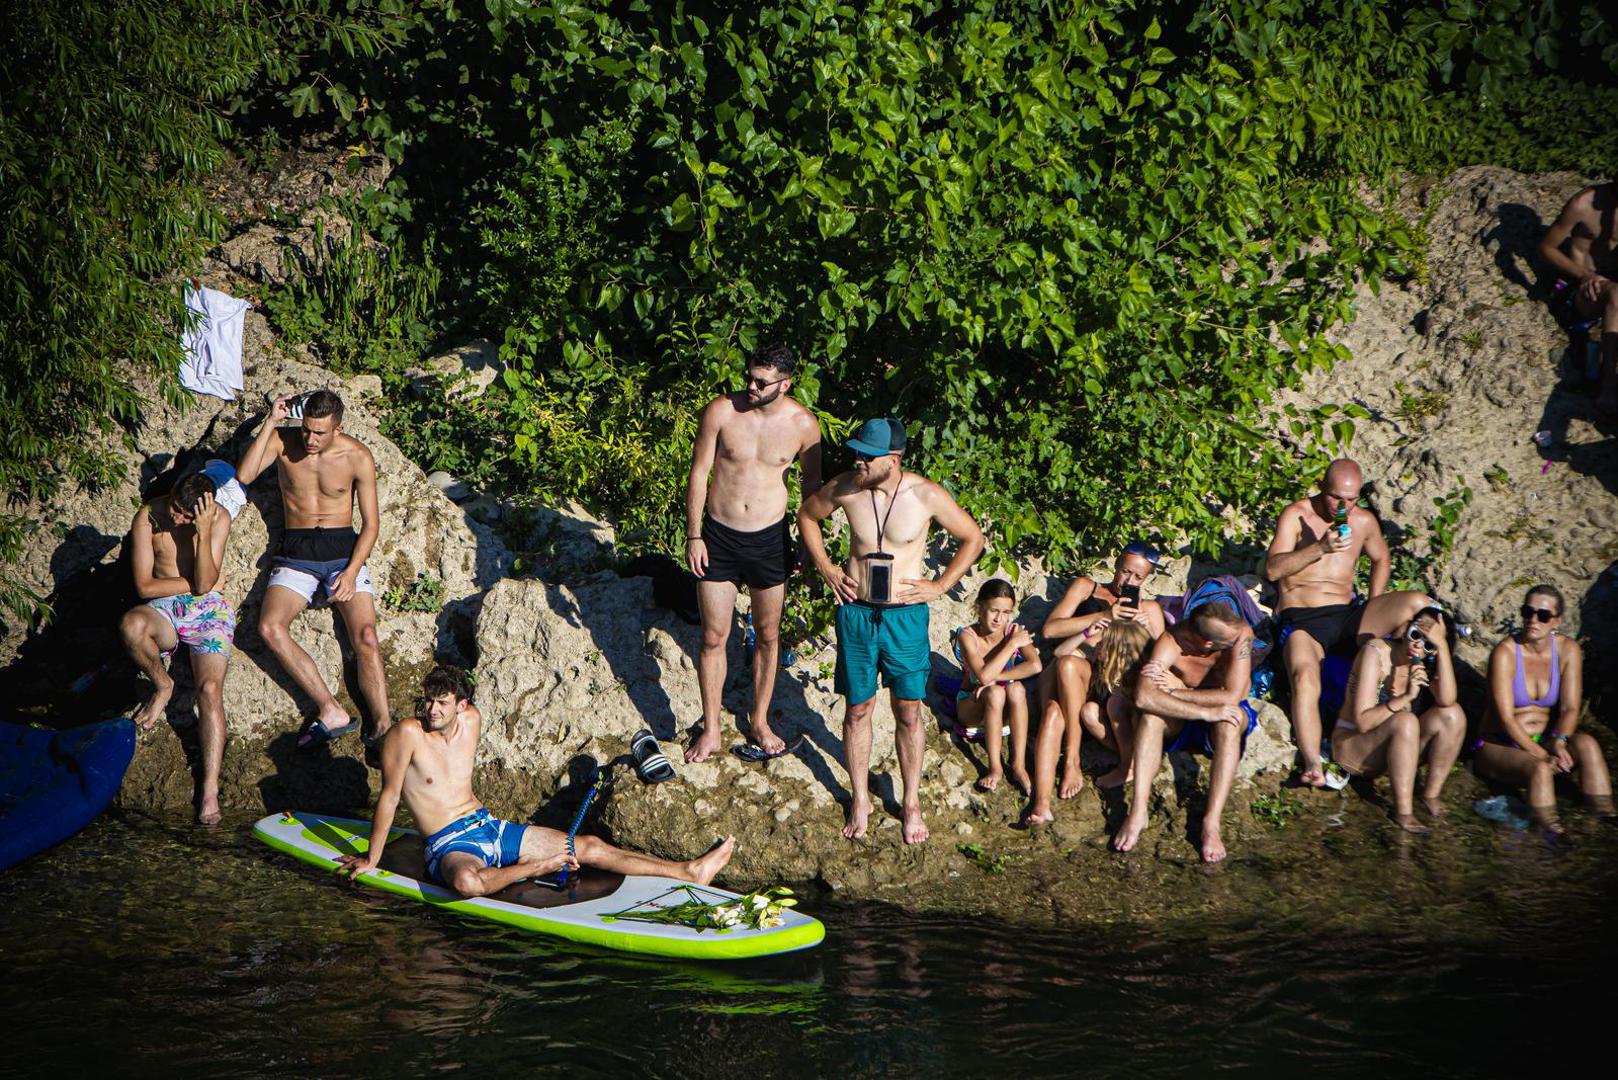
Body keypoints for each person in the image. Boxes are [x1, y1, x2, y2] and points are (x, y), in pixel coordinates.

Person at [337, 665, 736, 895]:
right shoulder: (406, 733)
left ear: (463, 705)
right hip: (449, 843)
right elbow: (389, 797)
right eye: (427, 700)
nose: (431, 709)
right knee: (466, 883)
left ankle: (689, 871)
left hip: (489, 826)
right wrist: (373, 859)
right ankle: (534, 867)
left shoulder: (472, 721)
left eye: (442, 702)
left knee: (590, 845)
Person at [798, 417, 985, 844]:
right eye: (857, 452)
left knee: (909, 710)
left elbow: (972, 538)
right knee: (858, 708)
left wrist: (939, 586)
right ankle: (861, 797)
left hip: (904, 618)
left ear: (893, 460)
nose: (858, 460)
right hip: (857, 613)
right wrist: (827, 568)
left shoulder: (926, 495)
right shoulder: (846, 486)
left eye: (867, 455)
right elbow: (807, 517)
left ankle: (912, 801)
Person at [684, 345, 823, 763]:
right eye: (750, 377)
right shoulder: (722, 412)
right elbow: (699, 472)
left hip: (769, 540)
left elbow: (812, 493)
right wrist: (694, 535)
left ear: (785, 383)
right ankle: (711, 728)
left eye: (761, 382)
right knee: (712, 636)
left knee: (768, 635)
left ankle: (759, 720)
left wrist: (804, 543)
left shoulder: (803, 425)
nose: (751, 386)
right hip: (719, 535)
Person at [1265, 459, 1435, 787]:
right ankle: (1314, 761)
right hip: (1303, 618)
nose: (1344, 506)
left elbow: (1381, 558)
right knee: (1304, 677)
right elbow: (1272, 570)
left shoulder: (1364, 521)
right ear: (1321, 487)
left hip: (1347, 613)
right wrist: (1319, 548)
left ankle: (1428, 705)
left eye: (1352, 499)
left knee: (1419, 604)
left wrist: (1374, 600)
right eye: (1336, 498)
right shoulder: (1297, 514)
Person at [236, 389, 389, 750]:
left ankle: (383, 726)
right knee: (269, 627)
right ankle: (330, 708)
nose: (310, 438)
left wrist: (351, 572)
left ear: (338, 428)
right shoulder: (282, 441)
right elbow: (244, 474)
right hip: (298, 550)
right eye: (306, 429)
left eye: (319, 432)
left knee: (366, 636)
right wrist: (272, 421)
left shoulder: (357, 456)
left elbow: (370, 524)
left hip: (341, 551)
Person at [119, 472, 235, 824]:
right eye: (176, 509)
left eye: (187, 515)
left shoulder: (219, 520)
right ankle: (163, 683)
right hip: (165, 611)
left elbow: (204, 584)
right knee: (131, 625)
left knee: (210, 690)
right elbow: (143, 585)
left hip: (208, 612)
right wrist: (203, 583)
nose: (177, 519)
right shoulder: (149, 516)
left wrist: (201, 534)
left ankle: (210, 790)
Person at [1028, 542, 1166, 815]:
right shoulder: (1086, 587)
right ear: (1116, 564)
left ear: (1147, 579)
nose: (1129, 581)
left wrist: (1146, 631)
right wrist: (1103, 615)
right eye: (1126, 572)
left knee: (1061, 706)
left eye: (1138, 577)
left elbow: (1162, 658)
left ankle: (1072, 763)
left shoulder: (1149, 609)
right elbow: (1051, 629)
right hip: (1069, 668)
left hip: (1105, 682)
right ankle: (1044, 800)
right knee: (1059, 690)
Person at [1112, 601, 1255, 864]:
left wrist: (1175, 691)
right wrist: (1203, 710)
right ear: (1207, 645)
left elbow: (1233, 697)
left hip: (1215, 713)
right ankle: (1138, 811)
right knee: (1151, 716)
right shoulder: (1171, 641)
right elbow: (1144, 697)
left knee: (1229, 722)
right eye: (1228, 643)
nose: (1237, 643)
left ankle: (1211, 823)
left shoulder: (1241, 636)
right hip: (1187, 715)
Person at [1474, 585, 1612, 826]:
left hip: (1544, 739)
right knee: (1540, 769)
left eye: (1543, 615)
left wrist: (1559, 741)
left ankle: (1605, 816)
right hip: (1501, 744)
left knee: (1588, 745)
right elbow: (1506, 719)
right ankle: (1550, 834)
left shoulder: (1568, 650)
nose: (1533, 620)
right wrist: (1542, 756)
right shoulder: (1505, 653)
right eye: (1528, 612)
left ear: (1556, 621)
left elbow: (1570, 708)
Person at [1331, 606, 1466, 832]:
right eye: (1416, 634)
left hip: (1396, 750)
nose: (1417, 645)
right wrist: (1405, 697)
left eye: (1428, 643)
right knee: (1406, 720)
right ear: (1406, 628)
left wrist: (1441, 647)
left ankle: (1430, 795)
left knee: (1453, 715)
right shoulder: (1375, 653)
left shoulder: (1424, 665)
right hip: (1354, 745)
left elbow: (1447, 700)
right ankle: (1403, 811)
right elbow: (1363, 722)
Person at [953, 580, 1042, 793]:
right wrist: (1011, 645)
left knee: (1017, 689)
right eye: (993, 610)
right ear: (979, 607)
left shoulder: (1012, 630)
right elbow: (983, 677)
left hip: (1002, 704)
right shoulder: (968, 636)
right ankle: (995, 768)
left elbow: (1036, 665)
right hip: (972, 706)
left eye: (1005, 612)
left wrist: (999, 677)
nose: (998, 619)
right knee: (994, 692)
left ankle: (1018, 765)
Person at [1537, 182, 1618, 411]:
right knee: (1616, 294)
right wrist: (1584, 275)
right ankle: (1609, 387)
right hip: (1580, 290)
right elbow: (1546, 247)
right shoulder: (1583, 204)